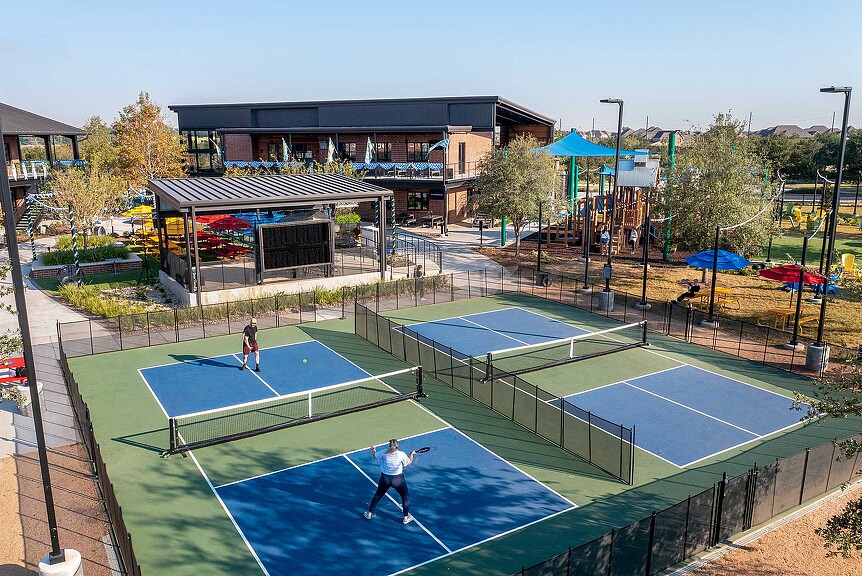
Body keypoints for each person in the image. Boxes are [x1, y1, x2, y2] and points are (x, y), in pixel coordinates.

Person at [364, 439, 416, 524]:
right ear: (397, 446)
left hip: (385, 479)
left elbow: (374, 455)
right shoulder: (401, 454)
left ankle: (369, 513)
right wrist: (412, 454)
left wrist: (373, 449)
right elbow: (409, 463)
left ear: (389, 445)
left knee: (378, 495)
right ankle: (406, 517)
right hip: (398, 480)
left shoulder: (384, 452)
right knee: (405, 496)